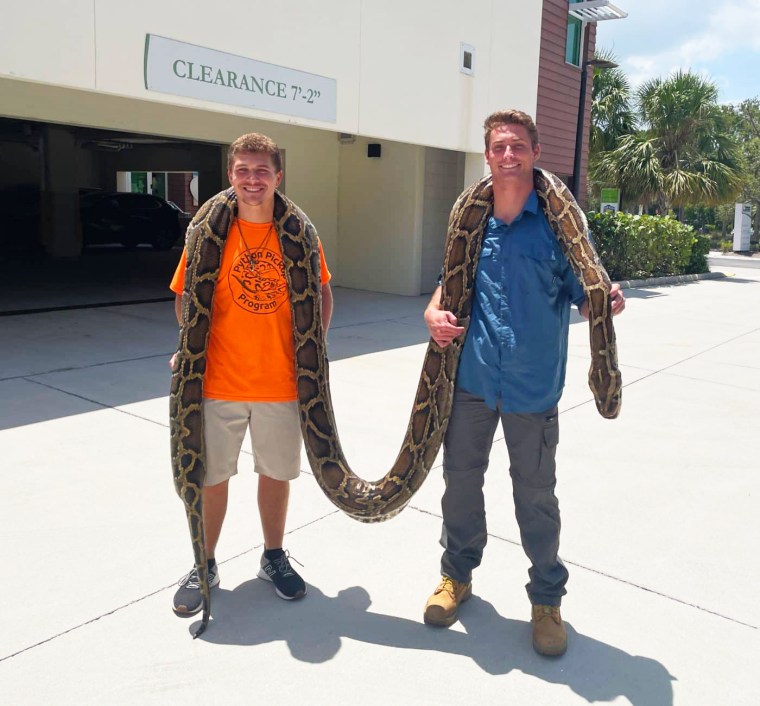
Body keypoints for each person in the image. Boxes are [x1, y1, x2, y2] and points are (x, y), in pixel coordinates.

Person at [422, 110, 625, 656]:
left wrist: (604, 300)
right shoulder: (471, 219)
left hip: (533, 386)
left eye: (518, 146)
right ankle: (456, 576)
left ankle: (546, 600)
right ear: (487, 155)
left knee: (535, 496)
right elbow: (446, 285)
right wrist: (432, 314)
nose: (508, 156)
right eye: (498, 147)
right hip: (473, 381)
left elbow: (585, 292)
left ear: (535, 153)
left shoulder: (559, 227)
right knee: (460, 483)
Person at [169, 132, 333, 616]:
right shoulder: (207, 232)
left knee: (276, 474)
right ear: (231, 175)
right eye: (243, 170)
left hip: (282, 383)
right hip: (216, 382)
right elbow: (184, 297)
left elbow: (321, 294)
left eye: (261, 171)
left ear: (277, 176)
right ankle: (205, 562)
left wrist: (313, 353)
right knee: (211, 476)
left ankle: (273, 556)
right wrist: (190, 347)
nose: (252, 179)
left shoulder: (299, 233)